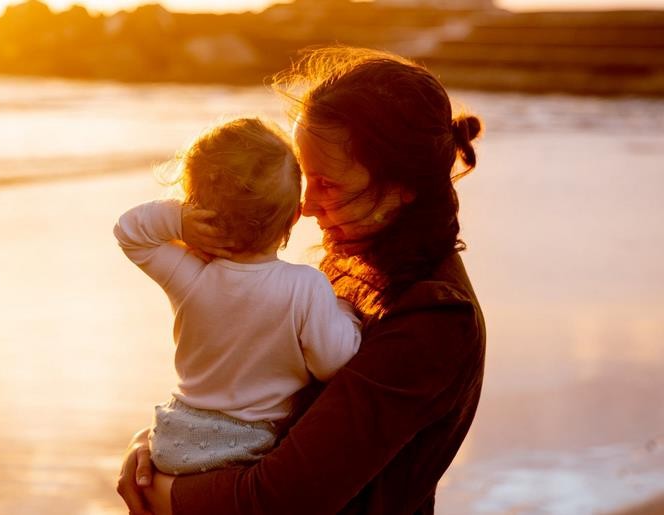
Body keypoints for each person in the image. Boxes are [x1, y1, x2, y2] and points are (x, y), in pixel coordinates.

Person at [117, 46, 486, 515]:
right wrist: (153, 445)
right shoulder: (356, 267)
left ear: (402, 187)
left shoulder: (435, 318)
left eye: (327, 185)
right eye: (305, 180)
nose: (306, 208)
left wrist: (160, 493)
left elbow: (280, 500)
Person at [114, 117, 362, 476]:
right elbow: (333, 361)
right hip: (247, 446)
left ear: (196, 205)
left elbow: (130, 232)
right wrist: (344, 311)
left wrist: (178, 222)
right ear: (294, 216)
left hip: (173, 437)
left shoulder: (190, 276)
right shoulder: (307, 287)